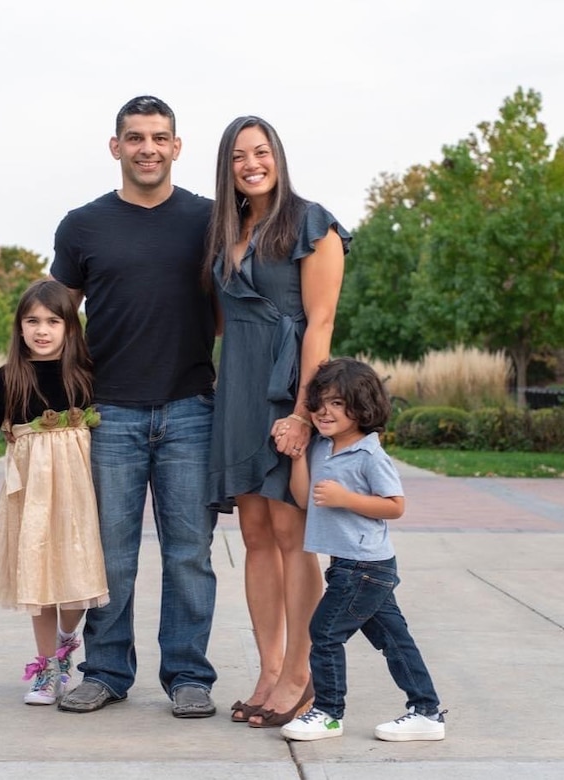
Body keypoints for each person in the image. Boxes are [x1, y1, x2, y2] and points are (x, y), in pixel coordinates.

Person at [49, 95, 219, 718]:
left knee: (189, 554)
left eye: (159, 137)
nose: (148, 147)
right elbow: (57, 321)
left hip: (191, 409)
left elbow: (237, 309)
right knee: (111, 556)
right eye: (135, 137)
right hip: (111, 413)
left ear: (177, 147)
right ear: (115, 146)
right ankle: (108, 671)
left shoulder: (209, 220)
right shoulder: (82, 226)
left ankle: (188, 676)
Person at [205, 116, 351, 728]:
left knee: (293, 539)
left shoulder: (313, 224)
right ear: (227, 166)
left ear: (278, 157)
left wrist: (301, 413)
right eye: (239, 155)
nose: (251, 163)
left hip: (288, 387)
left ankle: (300, 673)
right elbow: (220, 319)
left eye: (261, 152)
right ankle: (268, 670)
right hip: (236, 389)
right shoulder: (226, 231)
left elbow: (319, 324)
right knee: (256, 538)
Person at [0, 279, 109, 706]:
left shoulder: (86, 373)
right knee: (37, 578)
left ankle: (65, 640)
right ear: (19, 328)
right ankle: (47, 670)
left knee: (76, 581)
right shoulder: (10, 377)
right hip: (31, 494)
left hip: (77, 492)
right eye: (32, 321)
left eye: (53, 321)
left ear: (70, 328)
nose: (42, 329)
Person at [280, 357, 446, 742]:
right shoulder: (322, 448)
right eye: (320, 402)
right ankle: (426, 711)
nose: (325, 411)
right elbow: (305, 500)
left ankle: (327, 712)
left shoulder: (370, 455)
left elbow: (395, 506)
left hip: (365, 567)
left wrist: (346, 498)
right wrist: (298, 458)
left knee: (323, 633)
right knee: (395, 641)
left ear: (363, 406)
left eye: (338, 403)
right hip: (349, 565)